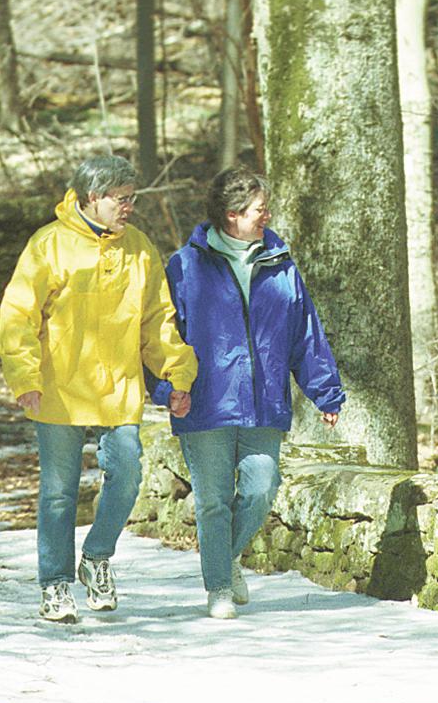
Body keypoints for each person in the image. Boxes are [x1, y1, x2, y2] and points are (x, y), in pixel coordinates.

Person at [0, 155, 197, 623]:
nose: (129, 207)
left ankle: (96, 558)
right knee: (58, 493)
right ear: (93, 197)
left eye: (132, 198)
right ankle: (55, 585)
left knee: (127, 474)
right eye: (121, 199)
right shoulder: (48, 245)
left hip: (118, 389)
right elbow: (18, 317)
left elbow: (157, 321)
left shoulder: (140, 247)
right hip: (58, 390)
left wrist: (177, 375)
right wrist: (25, 378)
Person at [148, 167, 345, 619]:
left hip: (263, 400)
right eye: (260, 209)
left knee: (262, 485)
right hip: (202, 401)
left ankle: (227, 556)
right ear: (232, 214)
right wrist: (165, 389)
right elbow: (160, 336)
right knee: (213, 499)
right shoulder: (185, 266)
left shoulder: (281, 263)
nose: (267, 216)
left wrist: (325, 392)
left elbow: (304, 333)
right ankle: (218, 586)